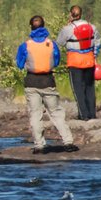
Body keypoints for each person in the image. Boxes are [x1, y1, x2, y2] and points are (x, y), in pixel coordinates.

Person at [16, 15, 78, 154]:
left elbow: (19, 64)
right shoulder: (52, 44)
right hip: (48, 81)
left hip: (31, 81)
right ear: (44, 26)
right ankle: (68, 141)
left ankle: (39, 144)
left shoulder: (25, 45)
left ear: (31, 27)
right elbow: (55, 62)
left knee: (35, 114)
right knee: (56, 113)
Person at [56, 5, 101, 120]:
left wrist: (67, 25)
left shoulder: (68, 29)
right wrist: (94, 56)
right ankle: (92, 115)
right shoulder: (92, 27)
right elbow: (97, 43)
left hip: (75, 62)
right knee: (90, 88)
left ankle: (83, 116)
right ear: (81, 14)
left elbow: (59, 42)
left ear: (71, 14)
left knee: (78, 89)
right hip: (89, 61)